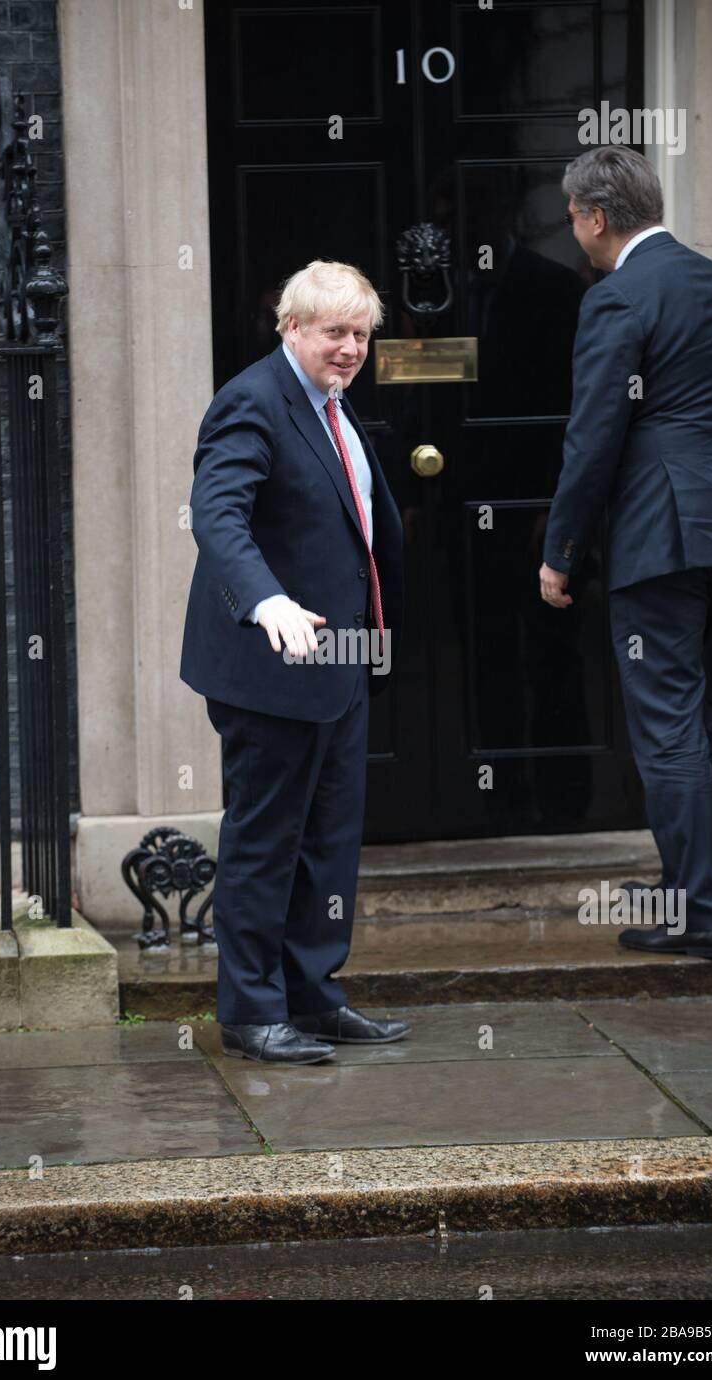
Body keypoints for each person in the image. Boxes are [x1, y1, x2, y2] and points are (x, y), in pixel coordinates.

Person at [541, 145, 712, 960]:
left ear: (596, 218)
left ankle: (696, 915)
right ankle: (693, 891)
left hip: (661, 535)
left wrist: (560, 548)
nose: (573, 232)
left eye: (573, 217)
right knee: (703, 710)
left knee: (668, 724)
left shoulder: (614, 298)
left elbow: (593, 435)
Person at [180, 260, 408, 1062]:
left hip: (340, 662)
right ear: (291, 329)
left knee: (328, 843)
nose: (349, 349)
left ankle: (314, 998)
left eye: (360, 335)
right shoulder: (252, 401)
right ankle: (250, 1012)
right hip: (270, 668)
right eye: (333, 333)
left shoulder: (333, 407)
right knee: (265, 841)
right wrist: (266, 600)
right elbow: (218, 516)